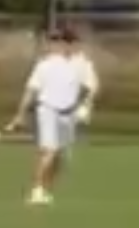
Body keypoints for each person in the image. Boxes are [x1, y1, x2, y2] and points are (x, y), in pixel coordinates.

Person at [7, 19, 100, 205]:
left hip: (69, 113)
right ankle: (36, 190)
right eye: (62, 41)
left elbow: (93, 87)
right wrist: (20, 114)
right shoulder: (45, 64)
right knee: (48, 151)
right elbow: (31, 91)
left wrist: (86, 106)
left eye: (70, 41)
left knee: (61, 155)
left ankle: (45, 190)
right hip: (47, 109)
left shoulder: (82, 64)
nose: (66, 45)